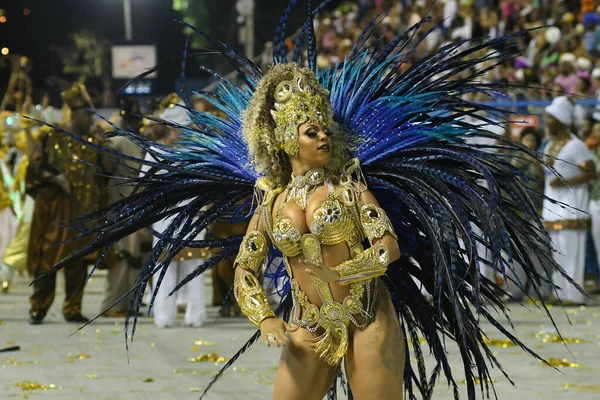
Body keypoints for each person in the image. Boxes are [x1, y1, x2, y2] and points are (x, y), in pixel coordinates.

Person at [49, 5, 579, 399]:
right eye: (310, 131)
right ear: (286, 140)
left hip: (368, 317)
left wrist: (342, 275)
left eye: (325, 129)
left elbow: (388, 246)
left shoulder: (349, 186)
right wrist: (265, 321)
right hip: (307, 324)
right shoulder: (271, 200)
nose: (323, 137)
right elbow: (246, 270)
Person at [25, 83, 106, 324]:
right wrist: (56, 178)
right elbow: (34, 168)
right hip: (56, 211)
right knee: (47, 262)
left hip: (83, 211)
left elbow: (106, 174)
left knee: (77, 263)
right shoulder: (53, 135)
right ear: (74, 114)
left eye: (90, 115)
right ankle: (38, 307)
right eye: (85, 115)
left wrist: (103, 145)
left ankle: (72, 308)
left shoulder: (94, 140)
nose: (89, 119)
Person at [543, 96, 594, 306]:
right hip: (553, 207)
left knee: (572, 251)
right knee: (557, 252)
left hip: (573, 207)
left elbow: (591, 172)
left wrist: (566, 181)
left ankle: (574, 295)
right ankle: (560, 293)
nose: (547, 123)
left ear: (561, 120)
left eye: (550, 119)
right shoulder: (549, 145)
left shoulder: (576, 145)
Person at [98, 97, 145, 317]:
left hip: (136, 202)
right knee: (120, 255)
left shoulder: (139, 140)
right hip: (119, 202)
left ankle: (129, 304)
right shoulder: (115, 141)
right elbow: (106, 167)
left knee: (136, 257)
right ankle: (112, 306)